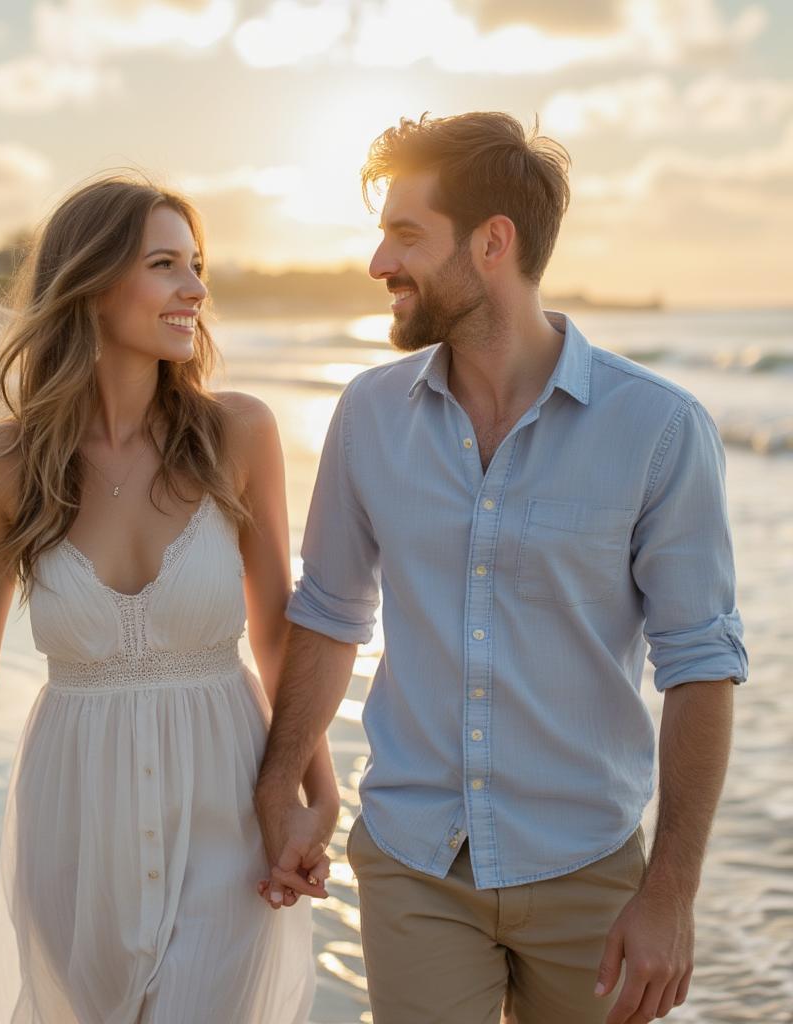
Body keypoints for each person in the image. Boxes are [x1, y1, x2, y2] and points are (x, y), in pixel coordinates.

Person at [254, 112, 748, 1024]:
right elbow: (328, 613)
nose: (377, 263)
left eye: (406, 234)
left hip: (587, 870)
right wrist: (278, 787)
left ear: (492, 243)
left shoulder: (660, 430)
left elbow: (700, 664)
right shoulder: (368, 415)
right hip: (413, 862)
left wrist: (671, 895)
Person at [0, 175, 335, 1023]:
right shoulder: (6, 464)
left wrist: (308, 799)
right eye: (165, 265)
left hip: (226, 795)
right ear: (94, 282)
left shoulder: (239, 434)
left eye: (197, 264)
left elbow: (278, 635)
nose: (196, 289)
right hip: (75, 815)